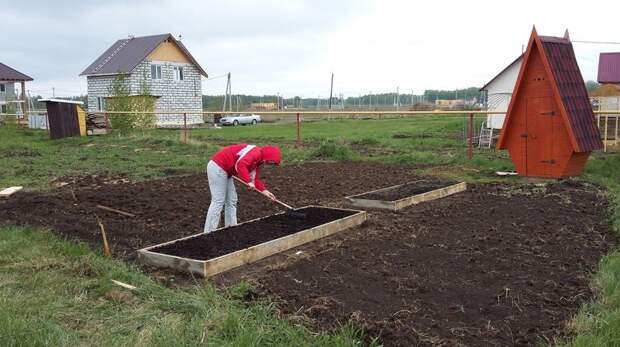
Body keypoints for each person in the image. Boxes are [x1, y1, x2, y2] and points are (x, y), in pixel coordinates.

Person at [204, 144, 281, 233]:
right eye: (271, 162)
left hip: (226, 171)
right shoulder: (256, 153)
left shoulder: (258, 162)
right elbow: (240, 165)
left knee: (232, 200)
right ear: (268, 155)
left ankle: (231, 229)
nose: (269, 164)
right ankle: (208, 232)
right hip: (218, 166)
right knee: (218, 200)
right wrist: (248, 181)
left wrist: (265, 191)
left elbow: (255, 179)